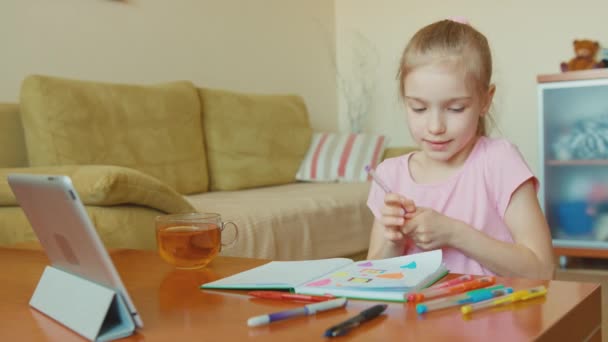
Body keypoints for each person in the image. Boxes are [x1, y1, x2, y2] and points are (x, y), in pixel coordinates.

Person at [366, 18, 555, 279]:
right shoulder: (389, 175)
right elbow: (371, 276)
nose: (435, 126)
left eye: (455, 109)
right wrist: (393, 243)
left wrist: (454, 233)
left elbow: (542, 269)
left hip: (493, 316)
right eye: (418, 108)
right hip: (416, 319)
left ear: (485, 101)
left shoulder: (500, 162)